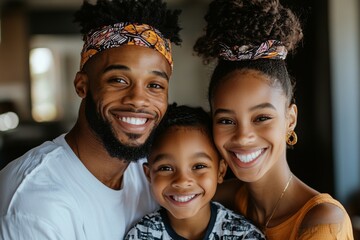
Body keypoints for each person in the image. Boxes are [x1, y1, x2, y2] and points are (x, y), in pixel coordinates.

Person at [0, 0, 182, 239]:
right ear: (82, 85)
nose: (139, 100)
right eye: (118, 80)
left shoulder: (150, 171)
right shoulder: (36, 202)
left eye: (155, 85)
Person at [193, 0, 354, 239]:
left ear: (290, 119)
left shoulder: (322, 222)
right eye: (226, 120)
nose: (243, 136)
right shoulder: (216, 200)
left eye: (262, 118)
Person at [125, 103, 266, 240]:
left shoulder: (244, 235)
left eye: (198, 166)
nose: (182, 181)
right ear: (149, 174)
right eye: (166, 168)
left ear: (220, 171)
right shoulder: (141, 234)